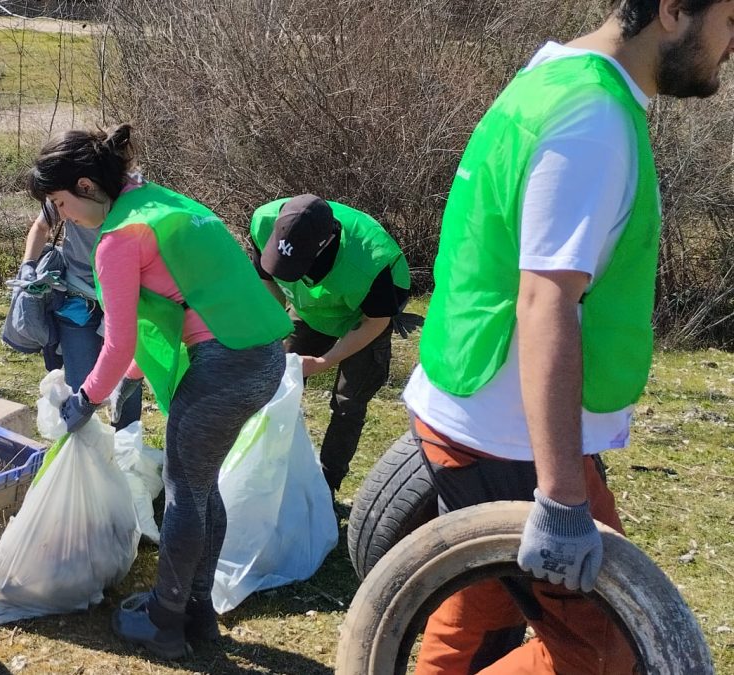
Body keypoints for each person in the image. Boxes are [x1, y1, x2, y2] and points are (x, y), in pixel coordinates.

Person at [403, 0, 734, 672]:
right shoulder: (593, 120)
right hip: (510, 438)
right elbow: (545, 299)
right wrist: (559, 499)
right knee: (609, 654)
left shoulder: (552, 72)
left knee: (483, 602)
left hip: (473, 405)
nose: (733, 46)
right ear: (673, 11)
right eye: (732, 22)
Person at [27, 123, 292, 659]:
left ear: (83, 185)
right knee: (200, 486)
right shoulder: (156, 201)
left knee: (182, 489)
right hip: (262, 352)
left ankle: (165, 621)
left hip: (228, 365)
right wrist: (118, 382)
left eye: (60, 204)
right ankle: (196, 610)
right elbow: (169, 312)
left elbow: (120, 342)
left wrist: (84, 401)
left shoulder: (119, 239)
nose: (64, 219)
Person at [249, 195, 412, 495]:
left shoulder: (374, 262)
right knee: (275, 381)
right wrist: (274, 329)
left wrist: (326, 360)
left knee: (349, 402)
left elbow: (374, 322)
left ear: (325, 245)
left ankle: (327, 485)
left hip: (363, 316)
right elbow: (268, 281)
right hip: (309, 307)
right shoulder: (263, 221)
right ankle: (265, 470)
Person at [16, 202, 142, 429]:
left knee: (125, 385)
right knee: (81, 389)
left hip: (123, 296)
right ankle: (82, 450)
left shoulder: (129, 193)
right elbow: (41, 226)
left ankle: (127, 448)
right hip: (78, 298)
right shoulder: (65, 191)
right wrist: (28, 264)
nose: (64, 210)